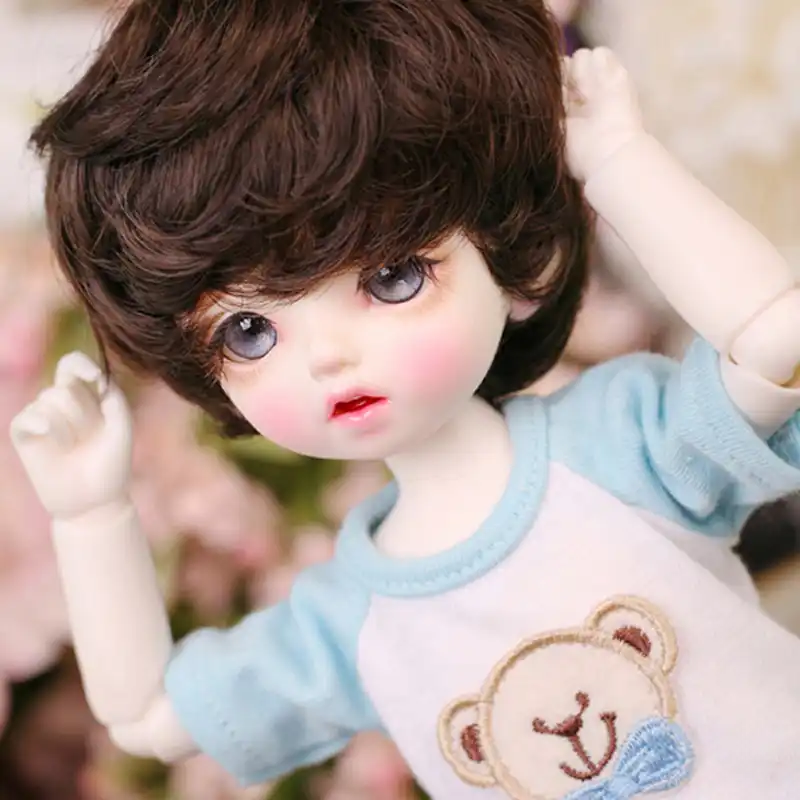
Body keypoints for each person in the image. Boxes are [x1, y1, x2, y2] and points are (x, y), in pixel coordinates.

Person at [10, 2, 800, 797]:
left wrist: (620, 163)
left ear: (514, 255)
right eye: (249, 331)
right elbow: (149, 716)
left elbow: (775, 341)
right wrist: (89, 513)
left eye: (393, 278)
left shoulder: (619, 446)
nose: (328, 356)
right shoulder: (352, 622)